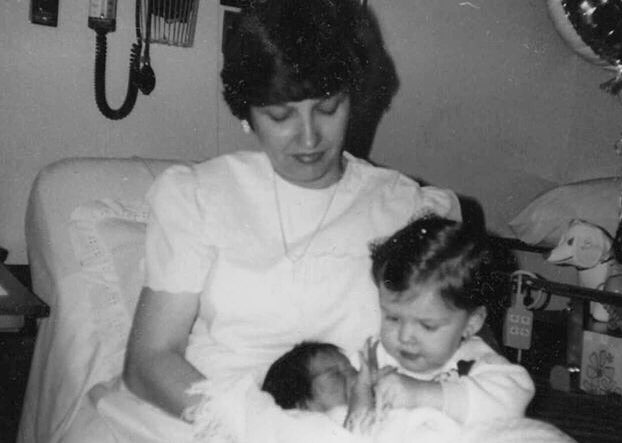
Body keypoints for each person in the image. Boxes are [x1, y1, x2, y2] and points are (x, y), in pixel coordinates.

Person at [61, 0, 460, 441]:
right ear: (247, 115)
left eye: (328, 107)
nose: (309, 137)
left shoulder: (405, 207)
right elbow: (150, 361)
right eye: (280, 115)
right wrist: (263, 429)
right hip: (214, 421)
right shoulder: (199, 196)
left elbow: (459, 343)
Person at [368, 214, 536, 426]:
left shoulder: (476, 361)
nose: (404, 336)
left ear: (471, 323)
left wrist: (425, 394)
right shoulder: (375, 357)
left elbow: (511, 403)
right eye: (392, 317)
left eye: (427, 326)